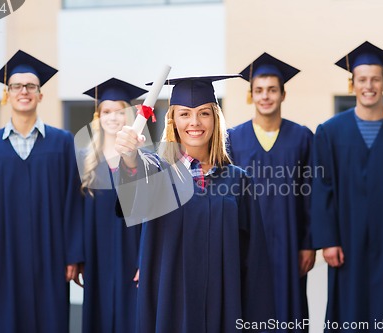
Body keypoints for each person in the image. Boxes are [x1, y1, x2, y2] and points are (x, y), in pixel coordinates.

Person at [115, 75, 275, 333]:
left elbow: (254, 260)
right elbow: (135, 182)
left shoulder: (238, 180)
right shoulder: (158, 172)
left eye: (203, 113)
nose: (195, 122)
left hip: (225, 309)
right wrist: (130, 157)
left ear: (215, 119)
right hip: (171, 307)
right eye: (185, 114)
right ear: (173, 121)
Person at [311, 41, 383, 333]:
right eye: (362, 79)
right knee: (348, 313)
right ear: (352, 85)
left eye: (375, 79)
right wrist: (328, 240)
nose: (369, 86)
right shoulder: (329, 132)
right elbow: (321, 188)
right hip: (346, 241)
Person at [0, 50, 83, 333]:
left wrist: (73, 254)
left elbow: (72, 202)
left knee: (51, 321)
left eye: (31, 86)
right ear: (8, 93)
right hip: (3, 257)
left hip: (51, 253)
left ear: (40, 95)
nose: (24, 91)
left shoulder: (62, 142)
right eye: (17, 86)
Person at [228, 53, 315, 332]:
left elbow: (312, 195)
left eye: (272, 90)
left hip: (291, 245)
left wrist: (309, 244)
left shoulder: (302, 137)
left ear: (283, 94)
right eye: (259, 90)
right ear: (251, 95)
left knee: (290, 313)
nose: (266, 96)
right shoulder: (233, 139)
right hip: (247, 246)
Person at [78, 77, 146, 333]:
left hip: (132, 252)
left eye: (119, 111)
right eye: (107, 112)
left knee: (134, 316)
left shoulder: (143, 160)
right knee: (101, 315)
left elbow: (152, 215)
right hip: (98, 254)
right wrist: (78, 255)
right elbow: (76, 212)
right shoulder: (86, 162)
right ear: (98, 117)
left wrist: (145, 257)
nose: (113, 117)